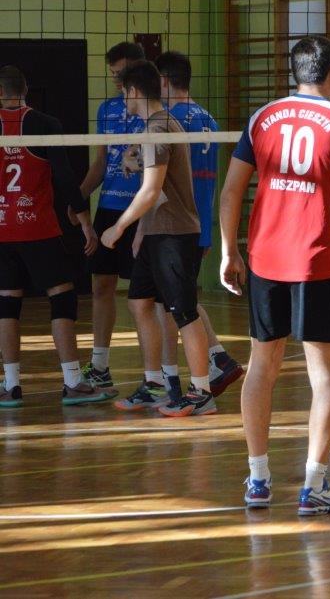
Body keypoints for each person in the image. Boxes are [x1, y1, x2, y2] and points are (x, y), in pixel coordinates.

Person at [220, 36, 330, 516]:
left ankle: (258, 478)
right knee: (325, 375)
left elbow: (231, 190)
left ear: (293, 72)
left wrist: (228, 250)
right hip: (317, 258)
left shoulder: (262, 118)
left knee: (262, 366)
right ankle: (314, 486)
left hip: (265, 259)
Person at [100, 61, 213, 417]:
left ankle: (201, 392)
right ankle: (154, 384)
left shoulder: (160, 127)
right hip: (156, 232)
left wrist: (119, 228)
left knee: (184, 312)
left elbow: (151, 191)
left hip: (175, 234)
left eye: (124, 92)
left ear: (134, 91)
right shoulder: (154, 127)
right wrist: (142, 233)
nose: (123, 98)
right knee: (139, 302)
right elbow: (157, 190)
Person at [0, 65, 112, 406]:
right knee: (62, 297)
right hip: (38, 229)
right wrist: (86, 222)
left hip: (3, 230)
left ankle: (11, 386)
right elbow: (65, 179)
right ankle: (73, 382)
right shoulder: (46, 124)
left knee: (7, 303)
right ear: (26, 90)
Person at [153, 51, 244, 396]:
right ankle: (216, 358)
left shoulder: (170, 120)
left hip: (179, 222)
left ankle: (179, 376)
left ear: (163, 81)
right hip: (202, 219)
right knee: (181, 297)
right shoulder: (208, 118)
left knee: (177, 303)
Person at [80, 41, 147, 390]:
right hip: (109, 207)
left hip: (142, 209)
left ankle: (154, 375)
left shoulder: (154, 110)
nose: (117, 80)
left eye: (122, 73)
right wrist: (79, 195)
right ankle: (100, 366)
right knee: (101, 285)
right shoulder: (106, 109)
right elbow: (101, 163)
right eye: (113, 75)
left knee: (143, 297)